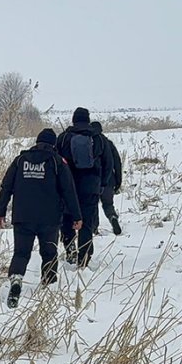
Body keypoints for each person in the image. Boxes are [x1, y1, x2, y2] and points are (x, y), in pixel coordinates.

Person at [0, 128, 82, 308]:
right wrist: (76, 216)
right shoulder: (58, 162)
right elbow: (69, 191)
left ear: (37, 141)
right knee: (49, 253)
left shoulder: (20, 161)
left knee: (21, 253)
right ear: (53, 144)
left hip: (22, 217)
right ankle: (48, 285)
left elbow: (6, 186)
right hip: (49, 219)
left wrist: (0, 211)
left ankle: (17, 279)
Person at [56, 107, 105, 267]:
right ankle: (84, 257)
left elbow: (56, 162)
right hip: (91, 187)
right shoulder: (97, 137)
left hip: (68, 187)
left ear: (73, 119)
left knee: (67, 220)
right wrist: (102, 184)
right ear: (88, 119)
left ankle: (71, 252)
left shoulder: (63, 138)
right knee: (87, 223)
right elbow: (106, 162)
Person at [91, 120, 123, 236]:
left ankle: (94, 228)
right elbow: (117, 163)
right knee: (108, 204)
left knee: (93, 205)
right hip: (109, 180)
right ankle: (113, 217)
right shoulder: (108, 143)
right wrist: (118, 181)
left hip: (93, 181)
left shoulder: (89, 143)